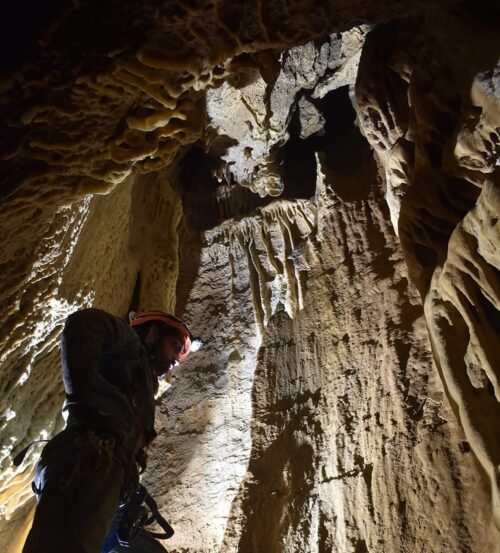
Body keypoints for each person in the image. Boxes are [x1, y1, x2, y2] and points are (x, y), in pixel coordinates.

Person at [22, 308, 193, 553]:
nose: (175, 359)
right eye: (175, 347)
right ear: (154, 333)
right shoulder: (131, 347)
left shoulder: (142, 381)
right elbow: (84, 324)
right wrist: (85, 401)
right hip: (89, 462)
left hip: (111, 484)